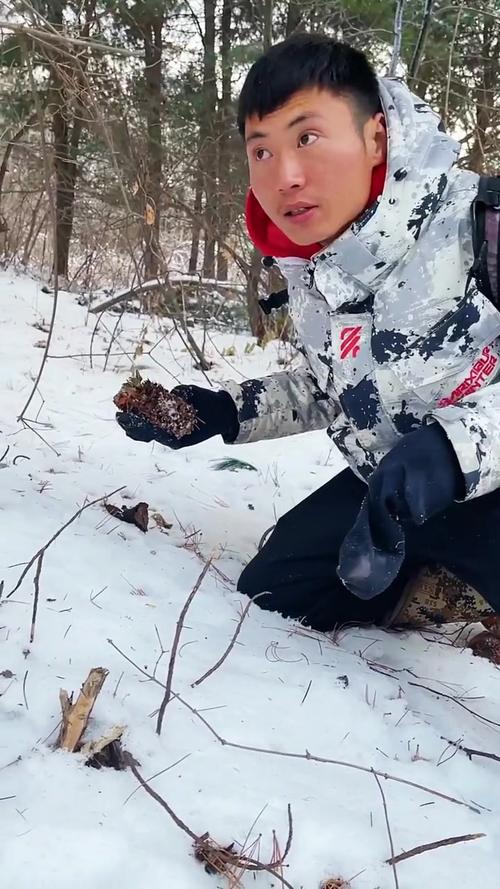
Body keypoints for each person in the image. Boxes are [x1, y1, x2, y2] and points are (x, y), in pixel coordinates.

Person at [117, 32, 500, 632]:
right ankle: (431, 587)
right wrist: (223, 412)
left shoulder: (480, 224)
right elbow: (336, 388)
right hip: (387, 492)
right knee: (275, 592)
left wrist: (450, 453)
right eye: (262, 151)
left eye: (307, 137)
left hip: (487, 490)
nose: (285, 175)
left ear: (375, 137)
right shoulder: (316, 266)